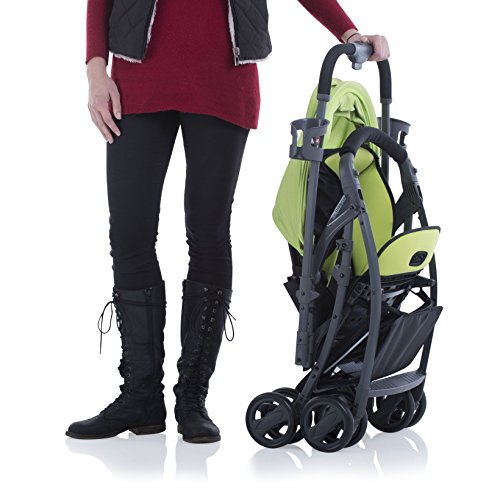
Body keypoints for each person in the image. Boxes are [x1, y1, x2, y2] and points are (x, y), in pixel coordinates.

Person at [66, 0, 390, 444]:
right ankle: (140, 397)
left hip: (222, 81)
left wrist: (349, 33)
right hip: (137, 81)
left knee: (208, 234)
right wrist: (95, 69)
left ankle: (192, 398)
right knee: (129, 234)